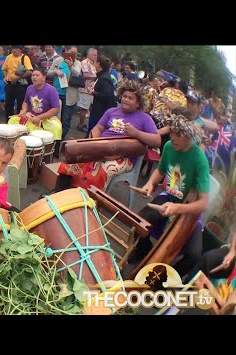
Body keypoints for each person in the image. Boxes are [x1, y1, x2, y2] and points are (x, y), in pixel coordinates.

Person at [129, 114, 210, 278]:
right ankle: (144, 251)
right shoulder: (168, 146)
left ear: (189, 135)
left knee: (194, 255)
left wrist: (178, 208)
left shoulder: (199, 159)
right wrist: (150, 184)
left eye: (178, 134)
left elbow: (203, 204)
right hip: (169, 197)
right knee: (139, 222)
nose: (172, 137)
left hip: (188, 208)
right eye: (172, 132)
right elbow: (160, 170)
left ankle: (167, 280)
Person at [56, 79, 160, 192]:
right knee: (72, 157)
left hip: (124, 157)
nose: (126, 100)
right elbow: (99, 127)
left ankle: (89, 200)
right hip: (102, 148)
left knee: (103, 169)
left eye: (130, 98)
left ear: (138, 103)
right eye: (124, 96)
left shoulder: (144, 118)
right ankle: (62, 192)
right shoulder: (111, 111)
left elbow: (157, 140)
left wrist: (136, 133)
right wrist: (95, 138)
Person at [7, 69, 62, 142]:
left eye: (37, 75)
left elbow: (56, 109)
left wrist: (39, 117)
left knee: (56, 128)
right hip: (31, 116)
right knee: (12, 121)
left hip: (47, 118)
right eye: (33, 75)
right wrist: (24, 111)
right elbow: (25, 102)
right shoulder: (29, 88)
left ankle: (54, 152)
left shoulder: (51, 90)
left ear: (44, 77)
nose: (34, 77)